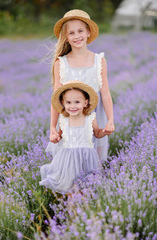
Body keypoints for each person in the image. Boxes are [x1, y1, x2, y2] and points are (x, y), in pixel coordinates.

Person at [50, 9, 114, 163]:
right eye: (71, 33)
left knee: (93, 159)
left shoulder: (99, 61)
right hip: (70, 118)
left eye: (80, 31)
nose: (77, 36)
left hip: (95, 116)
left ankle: (91, 185)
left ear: (88, 32)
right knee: (70, 159)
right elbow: (56, 98)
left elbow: (105, 93)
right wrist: (53, 126)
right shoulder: (61, 63)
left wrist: (110, 120)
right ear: (65, 37)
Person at [40, 80, 111, 194]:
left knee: (87, 187)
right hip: (69, 159)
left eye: (77, 102)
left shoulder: (90, 118)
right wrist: (55, 137)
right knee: (71, 188)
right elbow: (60, 135)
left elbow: (97, 133)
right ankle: (72, 209)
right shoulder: (64, 120)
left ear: (85, 103)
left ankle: (85, 208)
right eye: (68, 102)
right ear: (63, 103)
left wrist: (105, 131)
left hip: (87, 157)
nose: (72, 106)